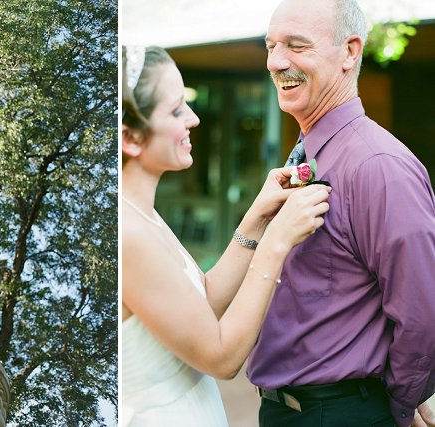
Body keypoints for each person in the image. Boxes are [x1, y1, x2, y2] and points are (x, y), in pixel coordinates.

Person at [119, 44, 331, 426]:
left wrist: (258, 218)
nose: (194, 118)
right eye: (176, 110)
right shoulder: (128, 234)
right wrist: (277, 242)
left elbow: (205, 303)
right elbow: (221, 358)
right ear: (130, 138)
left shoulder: (141, 213)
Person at [248, 0, 435, 426]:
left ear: (350, 52)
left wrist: (400, 406)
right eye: (271, 46)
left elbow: (422, 312)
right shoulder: (310, 154)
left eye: (297, 46)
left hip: (338, 412)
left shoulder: (378, 166)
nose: (276, 62)